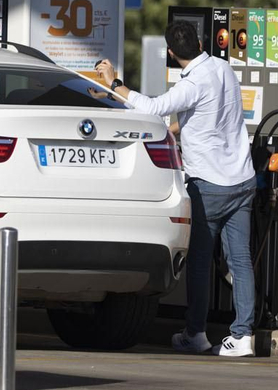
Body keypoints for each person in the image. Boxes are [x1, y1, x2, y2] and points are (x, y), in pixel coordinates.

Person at [94, 20, 257, 357]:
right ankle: (243, 336)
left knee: (198, 262)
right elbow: (208, 113)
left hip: (209, 185)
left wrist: (114, 84)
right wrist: (174, 127)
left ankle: (196, 333)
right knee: (240, 261)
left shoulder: (192, 82)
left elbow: (152, 107)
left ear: (170, 52)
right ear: (199, 42)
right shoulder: (224, 68)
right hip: (242, 180)